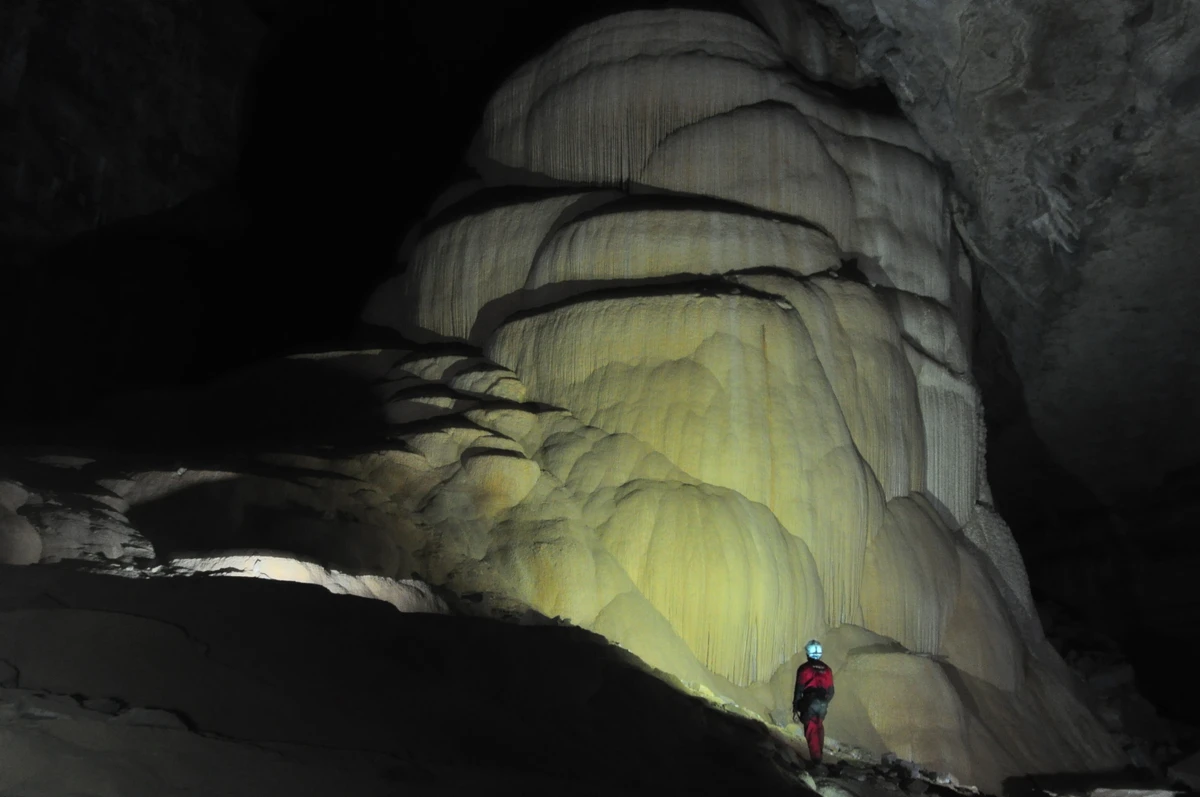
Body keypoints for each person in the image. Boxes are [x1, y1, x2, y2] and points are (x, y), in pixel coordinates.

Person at [793, 639, 834, 765]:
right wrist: (825, 702)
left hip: (810, 702)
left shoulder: (804, 669)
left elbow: (799, 689)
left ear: (807, 653)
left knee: (811, 728)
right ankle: (819, 756)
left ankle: (816, 760)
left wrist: (796, 708)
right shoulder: (827, 669)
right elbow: (831, 691)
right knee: (819, 726)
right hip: (823, 703)